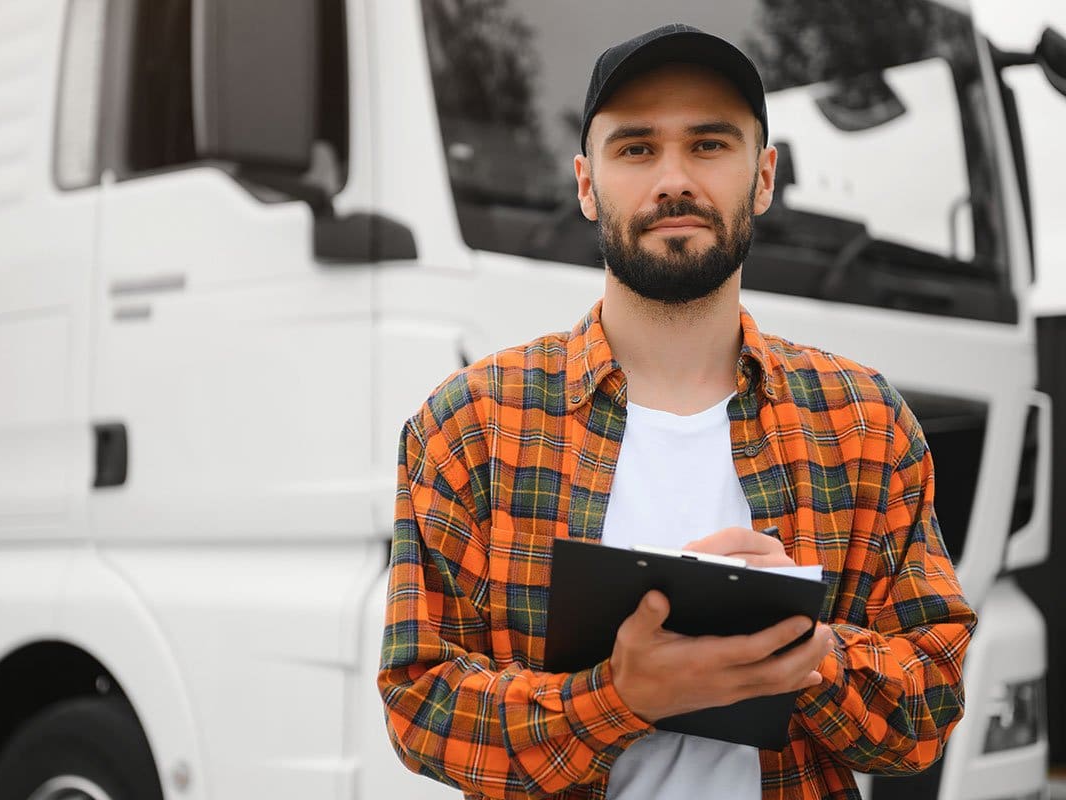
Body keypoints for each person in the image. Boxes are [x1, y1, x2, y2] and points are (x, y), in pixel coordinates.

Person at [377, 23, 975, 800]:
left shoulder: (862, 420)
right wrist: (618, 700)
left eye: (708, 145)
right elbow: (420, 708)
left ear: (762, 177)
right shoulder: (472, 423)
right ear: (587, 184)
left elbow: (929, 706)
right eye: (635, 148)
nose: (673, 180)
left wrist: (816, 653)